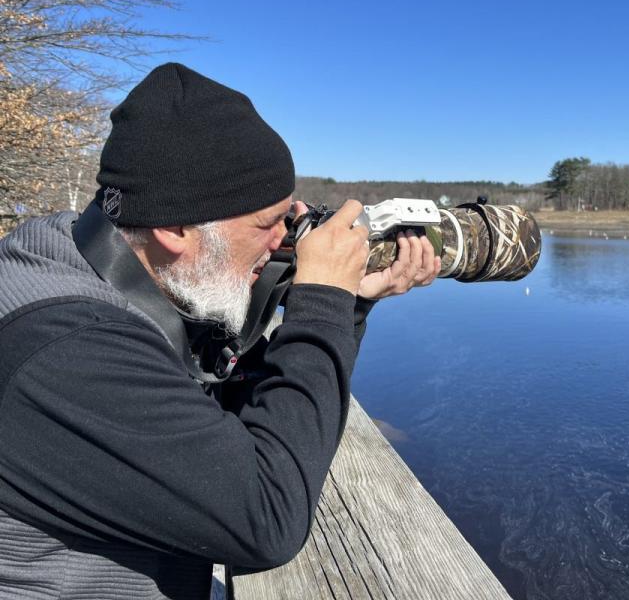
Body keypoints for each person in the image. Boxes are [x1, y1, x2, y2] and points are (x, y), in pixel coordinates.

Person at [0, 63, 439, 599]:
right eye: (266, 224)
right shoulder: (65, 348)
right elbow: (267, 516)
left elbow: (213, 422)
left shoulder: (97, 263)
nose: (286, 241)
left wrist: (348, 306)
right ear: (176, 227)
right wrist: (320, 302)